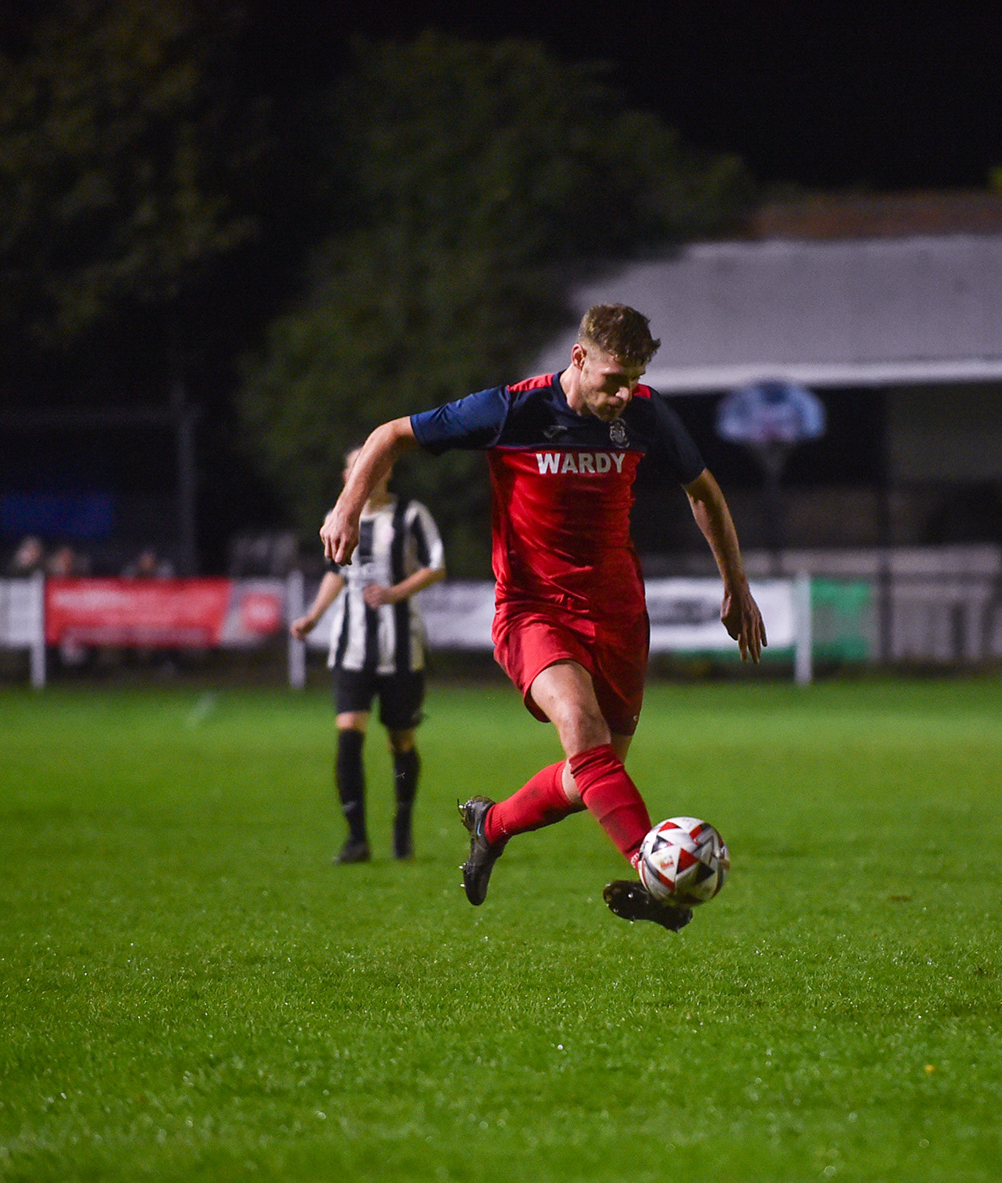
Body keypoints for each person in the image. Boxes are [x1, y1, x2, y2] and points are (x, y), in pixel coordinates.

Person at [320, 303, 766, 931]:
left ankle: (492, 824)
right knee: (582, 730)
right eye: (613, 379)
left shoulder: (645, 414)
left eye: (634, 380)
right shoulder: (513, 410)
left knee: (593, 776)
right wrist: (346, 508)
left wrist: (735, 583)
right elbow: (390, 435)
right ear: (578, 358)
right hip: (534, 609)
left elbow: (704, 492)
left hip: (618, 615)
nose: (624, 394)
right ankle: (653, 872)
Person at [291, 448, 447, 864]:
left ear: (387, 470)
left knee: (401, 742)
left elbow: (436, 566)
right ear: (347, 475)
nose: (366, 473)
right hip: (352, 649)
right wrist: (312, 617)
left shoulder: (411, 514)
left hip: (401, 649)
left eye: (374, 465)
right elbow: (336, 573)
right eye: (358, 467)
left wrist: (395, 592)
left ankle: (402, 827)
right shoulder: (339, 516)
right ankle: (356, 838)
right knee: (348, 736)